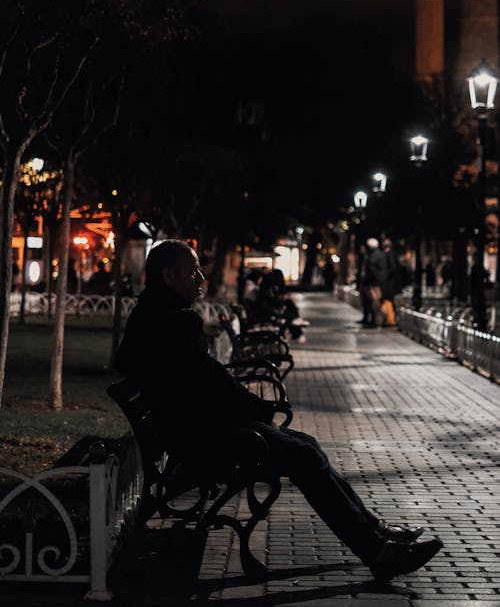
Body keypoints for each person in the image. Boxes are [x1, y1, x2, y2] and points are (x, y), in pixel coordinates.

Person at [114, 239, 443, 581]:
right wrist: (258, 409)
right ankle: (377, 551)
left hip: (193, 431)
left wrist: (255, 409)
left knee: (308, 447)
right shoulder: (174, 322)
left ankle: (375, 532)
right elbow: (210, 385)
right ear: (168, 276)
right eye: (193, 271)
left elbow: (202, 383)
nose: (201, 279)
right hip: (203, 438)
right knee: (305, 455)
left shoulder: (153, 316)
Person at [360, 238, 389, 328]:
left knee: (376, 303)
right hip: (378, 282)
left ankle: (379, 321)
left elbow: (372, 270)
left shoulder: (372, 256)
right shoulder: (381, 254)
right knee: (377, 302)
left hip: (374, 283)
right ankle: (379, 320)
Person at [381, 238, 402, 327]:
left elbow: (392, 268)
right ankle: (390, 319)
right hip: (393, 282)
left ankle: (390, 320)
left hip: (390, 283)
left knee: (388, 300)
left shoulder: (389, 255)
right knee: (390, 300)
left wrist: (385, 276)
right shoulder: (394, 254)